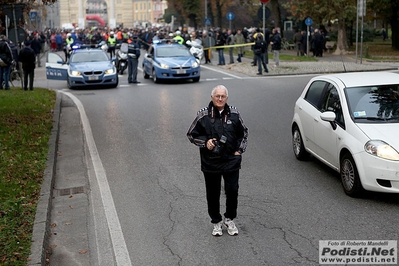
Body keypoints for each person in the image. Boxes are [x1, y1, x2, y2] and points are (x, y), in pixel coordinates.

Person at [187, 85, 248, 237]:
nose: (220, 99)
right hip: (210, 162)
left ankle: (229, 218)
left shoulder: (234, 113)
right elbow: (191, 134)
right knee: (213, 193)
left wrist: (239, 150)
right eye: (217, 96)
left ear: (227, 98)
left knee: (232, 190)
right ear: (212, 97)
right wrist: (205, 142)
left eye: (223, 96)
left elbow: (244, 133)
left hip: (231, 160)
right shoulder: (203, 115)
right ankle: (216, 222)